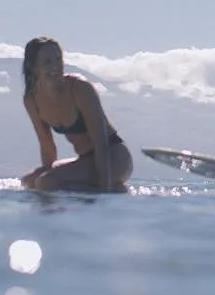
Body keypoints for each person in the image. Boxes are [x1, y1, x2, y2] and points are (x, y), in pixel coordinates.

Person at [18, 36, 133, 192]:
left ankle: (113, 190)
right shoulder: (32, 99)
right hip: (85, 160)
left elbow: (101, 143)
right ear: (34, 67)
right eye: (47, 62)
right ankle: (52, 216)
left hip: (113, 157)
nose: (56, 66)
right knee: (30, 181)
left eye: (58, 59)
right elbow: (47, 147)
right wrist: (45, 179)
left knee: (47, 182)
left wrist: (104, 193)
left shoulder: (80, 89)